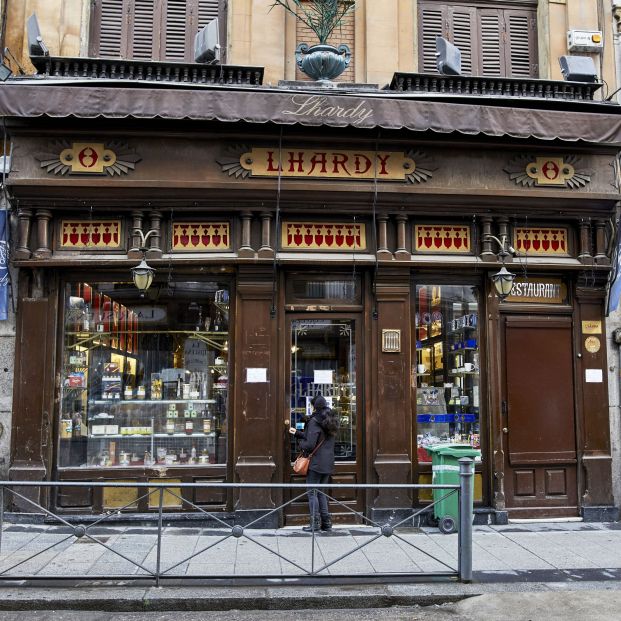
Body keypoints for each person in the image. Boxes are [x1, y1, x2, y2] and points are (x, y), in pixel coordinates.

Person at [290, 393, 339, 532]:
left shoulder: (314, 421)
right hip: (327, 463)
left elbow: (310, 445)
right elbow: (319, 438)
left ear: (314, 407)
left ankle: (315, 523)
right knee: (321, 492)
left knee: (312, 493)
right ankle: (326, 523)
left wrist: (300, 444)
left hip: (316, 463)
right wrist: (297, 433)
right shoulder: (330, 420)